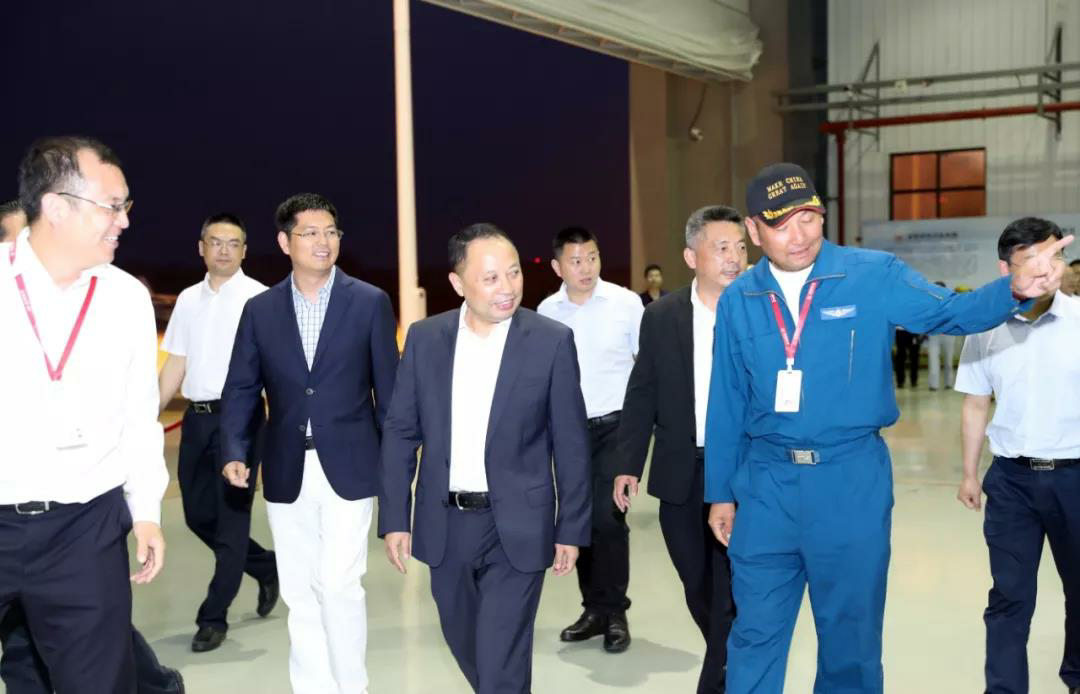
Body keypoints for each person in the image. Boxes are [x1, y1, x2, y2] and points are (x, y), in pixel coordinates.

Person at [703, 162, 1072, 694]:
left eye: (808, 218)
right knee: (754, 636)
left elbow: (953, 313)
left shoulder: (872, 274)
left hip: (850, 481)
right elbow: (727, 400)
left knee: (850, 642)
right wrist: (721, 492)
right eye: (781, 224)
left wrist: (1014, 289)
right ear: (754, 231)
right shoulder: (741, 299)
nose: (799, 235)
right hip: (765, 486)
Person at [379, 223, 591, 694]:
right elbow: (400, 432)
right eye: (491, 278)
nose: (508, 287)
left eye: (513, 273)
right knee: (468, 645)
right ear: (458, 283)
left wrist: (571, 528)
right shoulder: (425, 339)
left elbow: (571, 443)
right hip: (446, 522)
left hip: (518, 524)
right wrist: (395, 517)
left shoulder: (550, 340)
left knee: (500, 663)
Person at [0, 136, 169, 691]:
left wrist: (146, 511)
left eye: (126, 206)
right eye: (112, 206)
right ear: (55, 206)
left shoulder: (125, 298)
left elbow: (139, 415)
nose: (124, 220)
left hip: (84, 530)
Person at [220, 193, 398, 694]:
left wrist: (398, 471)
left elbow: (390, 394)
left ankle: (352, 686)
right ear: (284, 242)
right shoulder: (260, 310)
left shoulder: (369, 302)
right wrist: (234, 450)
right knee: (300, 592)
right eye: (311, 232)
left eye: (331, 232)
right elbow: (241, 387)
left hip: (351, 466)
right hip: (285, 467)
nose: (324, 242)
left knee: (339, 584)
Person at [614, 205, 747, 693]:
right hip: (680, 472)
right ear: (692, 256)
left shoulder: (758, 311)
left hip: (742, 472)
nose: (734, 258)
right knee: (696, 584)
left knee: (731, 586)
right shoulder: (662, 316)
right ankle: (734, 659)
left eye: (740, 247)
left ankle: (718, 681)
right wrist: (627, 464)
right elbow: (642, 391)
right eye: (721, 247)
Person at [955, 217, 1080, 694]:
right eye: (1032, 260)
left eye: (1055, 256)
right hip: (1011, 482)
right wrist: (970, 473)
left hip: (1074, 476)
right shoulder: (986, 327)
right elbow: (975, 402)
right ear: (1005, 269)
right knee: (1009, 596)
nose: (1047, 269)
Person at [158, 212, 278, 652]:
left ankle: (213, 616)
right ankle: (264, 565)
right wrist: (146, 416)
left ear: (245, 251)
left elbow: (274, 371)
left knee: (231, 521)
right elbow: (176, 362)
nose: (224, 250)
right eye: (216, 242)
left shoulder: (260, 299)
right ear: (201, 248)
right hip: (197, 418)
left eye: (233, 243)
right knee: (196, 515)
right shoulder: (188, 300)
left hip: (241, 420)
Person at [537, 226, 642, 653]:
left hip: (617, 427)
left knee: (607, 518)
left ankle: (615, 612)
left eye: (593, 257)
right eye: (576, 261)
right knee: (579, 519)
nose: (586, 267)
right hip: (570, 431)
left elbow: (645, 367)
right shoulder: (547, 311)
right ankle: (594, 609)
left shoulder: (626, 303)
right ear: (558, 266)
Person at [925, 282, 957, 390]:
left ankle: (949, 382)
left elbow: (954, 317)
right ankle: (933, 385)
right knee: (933, 360)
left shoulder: (951, 301)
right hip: (934, 335)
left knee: (948, 361)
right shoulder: (929, 302)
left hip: (948, 334)